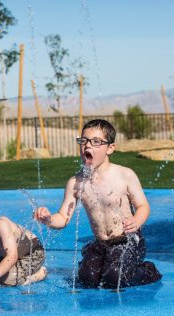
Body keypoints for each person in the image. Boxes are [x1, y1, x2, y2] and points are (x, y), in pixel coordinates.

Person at [35, 119, 162, 289]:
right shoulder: (76, 183)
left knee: (115, 278)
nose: (87, 146)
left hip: (128, 241)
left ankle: (147, 270)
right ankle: (104, 264)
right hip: (101, 243)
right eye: (84, 141)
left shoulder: (124, 175)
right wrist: (49, 219)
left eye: (96, 142)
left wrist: (136, 221)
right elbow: (63, 218)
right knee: (87, 278)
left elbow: (143, 206)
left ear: (110, 148)